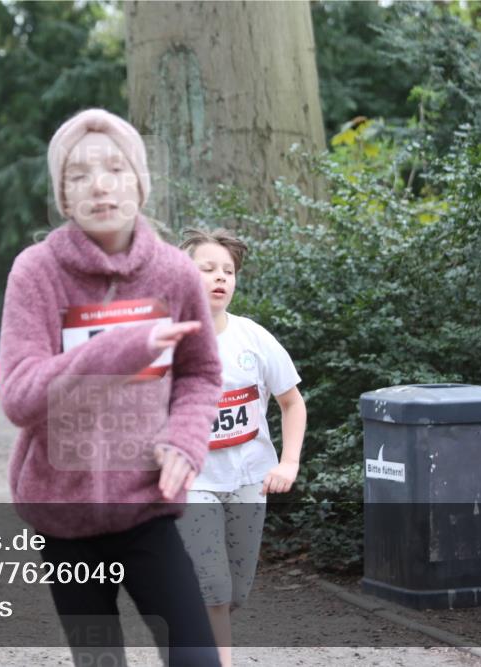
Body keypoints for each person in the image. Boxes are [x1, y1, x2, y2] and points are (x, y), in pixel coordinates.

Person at [0, 108, 223, 666]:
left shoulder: (174, 272)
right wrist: (125, 346)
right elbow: (21, 396)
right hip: (64, 516)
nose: (99, 185)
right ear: (63, 195)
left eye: (115, 169)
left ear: (140, 184)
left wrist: (187, 439)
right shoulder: (36, 271)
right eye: (79, 175)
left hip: (146, 506)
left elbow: (199, 373)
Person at [177, 228, 307, 667]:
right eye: (207, 268)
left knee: (234, 590)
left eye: (228, 271)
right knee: (212, 585)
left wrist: (288, 463)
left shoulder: (254, 338)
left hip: (250, 478)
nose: (220, 278)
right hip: (192, 482)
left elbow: (292, 403)